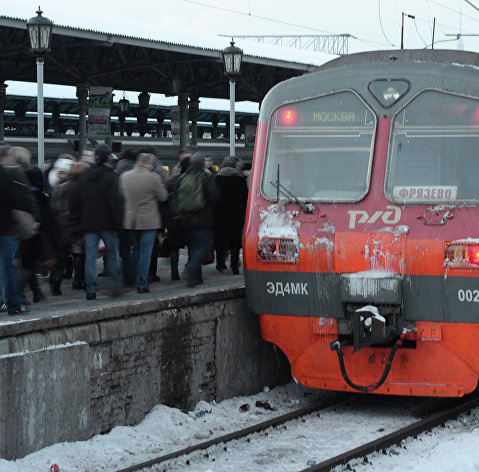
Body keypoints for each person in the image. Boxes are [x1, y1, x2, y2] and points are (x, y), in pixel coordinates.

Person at [72, 144, 123, 300]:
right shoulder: (111, 177)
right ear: (108, 158)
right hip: (108, 224)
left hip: (89, 224)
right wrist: (118, 224)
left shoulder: (85, 177)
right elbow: (114, 203)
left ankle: (91, 290)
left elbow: (78, 202)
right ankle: (114, 286)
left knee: (90, 257)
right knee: (113, 255)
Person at [119, 152, 168, 293]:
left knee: (135, 250)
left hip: (131, 221)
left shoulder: (124, 177)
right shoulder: (153, 177)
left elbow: (121, 196)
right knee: (145, 253)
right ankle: (141, 283)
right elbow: (163, 196)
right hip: (148, 221)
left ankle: (127, 277)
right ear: (149, 163)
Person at [0, 143, 35, 315]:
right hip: (6, 230)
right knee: (9, 267)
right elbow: (17, 200)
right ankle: (13, 305)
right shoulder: (4, 176)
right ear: (4, 157)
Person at [178, 152, 220, 287]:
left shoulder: (183, 176)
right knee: (200, 247)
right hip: (203, 219)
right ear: (202, 163)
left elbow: (176, 197)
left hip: (186, 219)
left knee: (192, 248)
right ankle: (190, 270)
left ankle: (195, 278)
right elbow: (214, 197)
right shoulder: (206, 177)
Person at [214, 156, 248, 274]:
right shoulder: (240, 180)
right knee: (235, 242)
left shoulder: (217, 178)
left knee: (220, 241)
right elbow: (245, 199)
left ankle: (220, 264)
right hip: (235, 215)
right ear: (235, 166)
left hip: (220, 215)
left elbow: (213, 197)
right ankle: (234, 266)